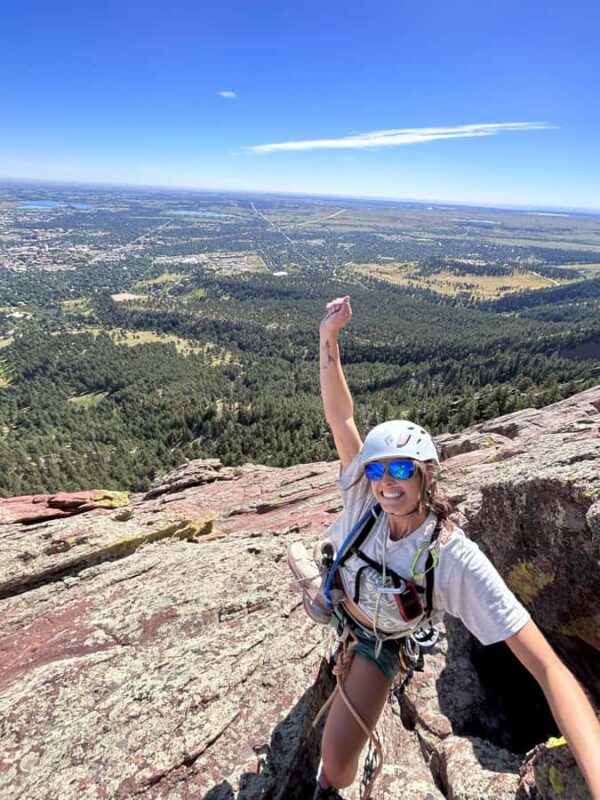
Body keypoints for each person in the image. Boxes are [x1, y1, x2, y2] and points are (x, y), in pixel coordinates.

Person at [288, 295, 600, 800]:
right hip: (343, 602)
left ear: (427, 475)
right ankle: (320, 589)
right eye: (378, 468)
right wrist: (329, 338)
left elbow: (547, 668)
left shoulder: (453, 558)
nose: (387, 482)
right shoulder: (364, 492)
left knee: (338, 763)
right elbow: (341, 417)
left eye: (402, 470)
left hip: (380, 640)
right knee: (324, 590)